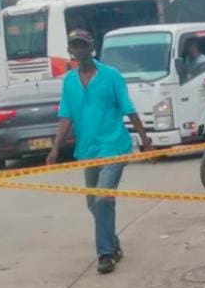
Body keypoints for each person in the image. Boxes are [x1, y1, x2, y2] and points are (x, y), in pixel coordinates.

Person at [47, 30, 152, 275]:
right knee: (92, 203)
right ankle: (113, 243)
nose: (79, 51)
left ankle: (105, 254)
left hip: (114, 146)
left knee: (103, 198)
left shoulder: (111, 75)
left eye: (83, 45)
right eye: (75, 46)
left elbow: (129, 108)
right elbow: (66, 116)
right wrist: (55, 147)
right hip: (88, 149)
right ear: (71, 51)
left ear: (91, 48)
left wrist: (145, 140)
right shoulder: (69, 81)